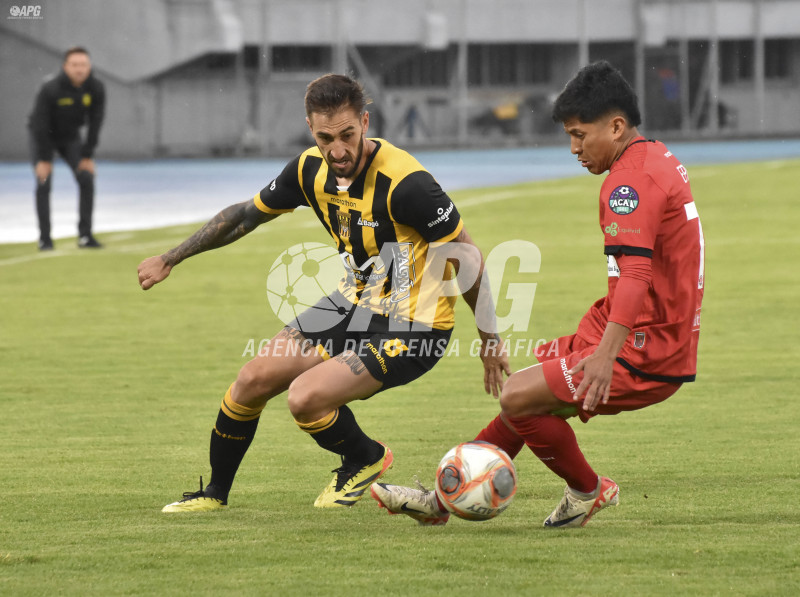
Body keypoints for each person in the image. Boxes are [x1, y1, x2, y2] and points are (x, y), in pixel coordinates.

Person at [137, 74, 511, 512]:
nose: (337, 150)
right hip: (352, 302)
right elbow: (244, 216)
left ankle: (365, 456)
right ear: (311, 129)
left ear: (365, 122)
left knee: (304, 398)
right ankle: (214, 494)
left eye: (347, 135)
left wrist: (490, 338)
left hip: (417, 324)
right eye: (324, 137)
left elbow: (466, 257)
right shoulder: (307, 169)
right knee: (251, 380)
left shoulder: (408, 184)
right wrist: (171, 257)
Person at [371, 60, 705, 528]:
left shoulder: (627, 182)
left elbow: (636, 274)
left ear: (616, 125)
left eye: (579, 135)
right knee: (525, 394)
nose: (573, 148)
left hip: (646, 347)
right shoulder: (654, 158)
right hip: (642, 329)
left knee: (518, 396)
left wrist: (607, 355)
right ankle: (444, 502)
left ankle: (588, 489)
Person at [28, 46, 106, 251]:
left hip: (71, 138)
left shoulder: (96, 88)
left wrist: (87, 155)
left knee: (87, 178)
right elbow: (40, 124)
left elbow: (96, 122)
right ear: (65, 66)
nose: (79, 69)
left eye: (83, 65)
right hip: (43, 137)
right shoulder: (50, 88)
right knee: (43, 182)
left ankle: (85, 236)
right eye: (74, 65)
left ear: (89, 67)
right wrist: (44, 159)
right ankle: (45, 239)